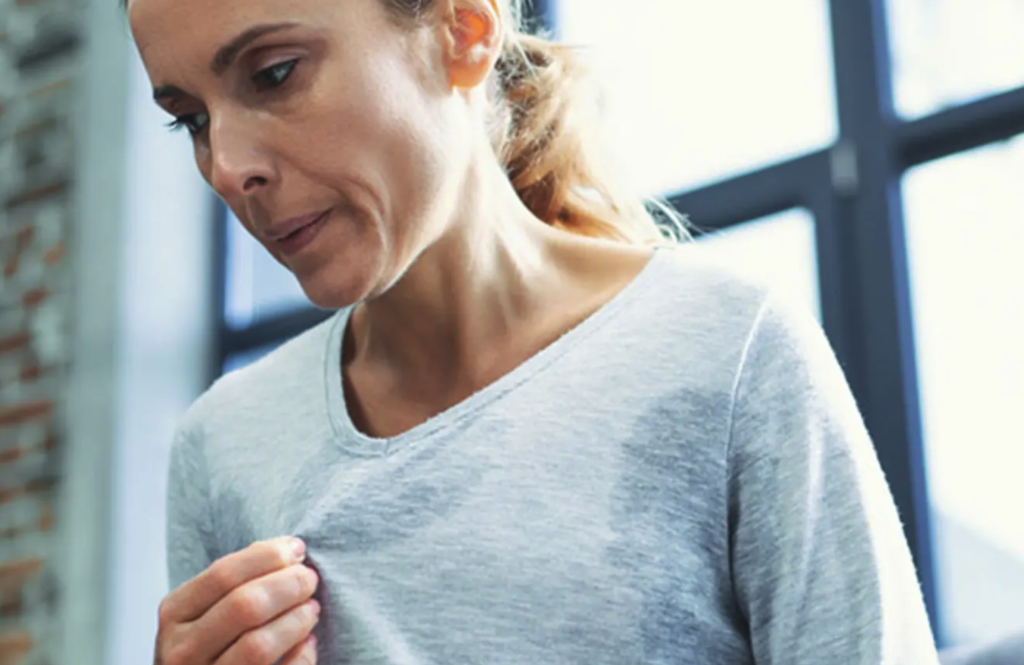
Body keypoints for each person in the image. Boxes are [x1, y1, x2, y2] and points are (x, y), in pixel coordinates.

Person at [129, 0, 943, 662]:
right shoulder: (225, 447)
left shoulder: (728, 349)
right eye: (191, 120)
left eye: (274, 74)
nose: (227, 166)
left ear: (463, 30)